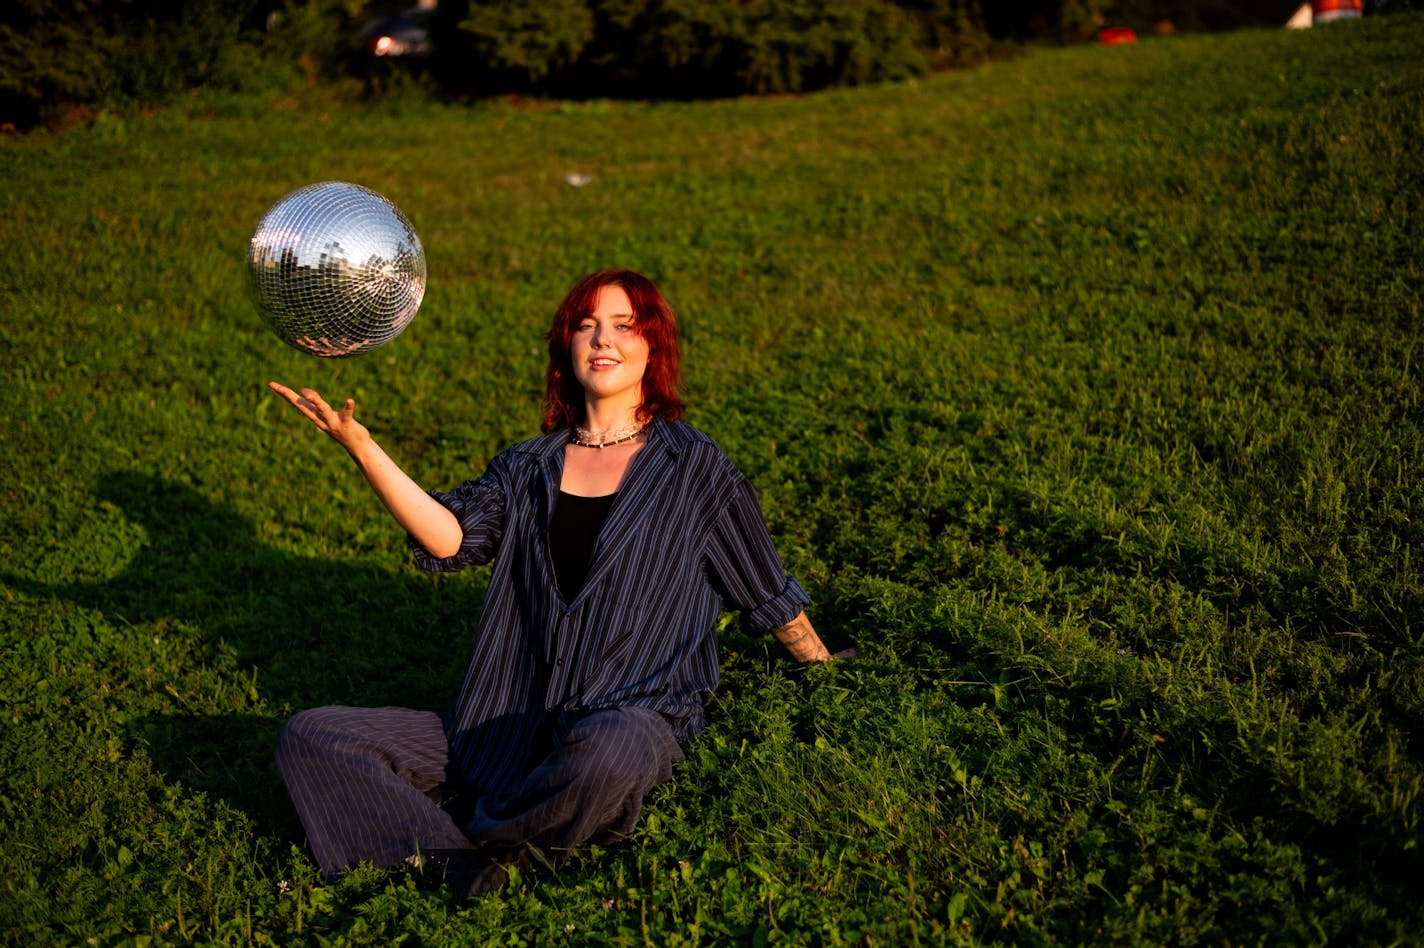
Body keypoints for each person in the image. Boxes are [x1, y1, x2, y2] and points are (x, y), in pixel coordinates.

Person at [268, 268, 834, 897]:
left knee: (610, 754)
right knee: (313, 735)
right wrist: (364, 449)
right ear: (567, 346)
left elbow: (764, 587)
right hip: (504, 723)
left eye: (624, 325)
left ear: (653, 348)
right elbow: (449, 538)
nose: (602, 339)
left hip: (629, 713)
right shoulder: (526, 466)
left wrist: (825, 673)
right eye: (586, 325)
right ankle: (467, 858)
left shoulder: (693, 465)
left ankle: (463, 839)